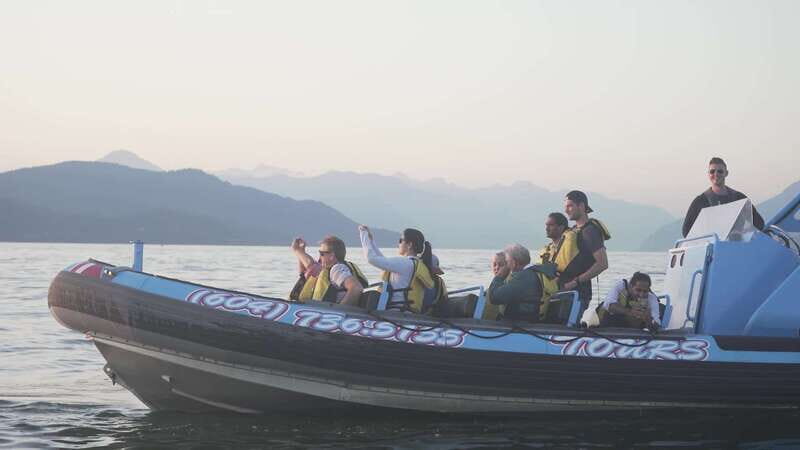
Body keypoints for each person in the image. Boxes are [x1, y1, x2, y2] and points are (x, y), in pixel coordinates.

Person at [359, 225, 438, 313]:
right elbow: (381, 259)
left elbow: (372, 259)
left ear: (409, 245)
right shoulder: (414, 263)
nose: (398, 244)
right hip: (408, 312)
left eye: (401, 241)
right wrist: (371, 241)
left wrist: (363, 234)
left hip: (397, 313)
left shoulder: (405, 263)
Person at [682, 157, 765, 237]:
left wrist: (742, 233)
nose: (716, 174)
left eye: (720, 171)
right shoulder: (700, 201)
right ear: (708, 174)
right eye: (712, 171)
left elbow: (759, 223)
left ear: (726, 173)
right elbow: (686, 231)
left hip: (735, 247)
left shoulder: (739, 198)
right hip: (713, 248)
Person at [559, 191, 610, 313]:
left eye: (570, 206)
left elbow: (602, 264)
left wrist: (575, 282)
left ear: (581, 206)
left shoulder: (590, 231)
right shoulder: (574, 230)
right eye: (565, 207)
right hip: (564, 290)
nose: (566, 210)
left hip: (577, 293)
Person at [289, 235, 367, 306]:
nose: (319, 257)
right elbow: (304, 274)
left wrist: (339, 312)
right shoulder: (329, 270)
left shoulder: (337, 269)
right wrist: (301, 252)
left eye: (322, 254)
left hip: (332, 315)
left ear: (332, 256)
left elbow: (356, 288)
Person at [487, 244, 542, 323]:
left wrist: (499, 277)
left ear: (514, 262)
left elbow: (494, 298)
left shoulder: (524, 278)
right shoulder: (529, 274)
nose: (507, 265)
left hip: (520, 324)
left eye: (507, 261)